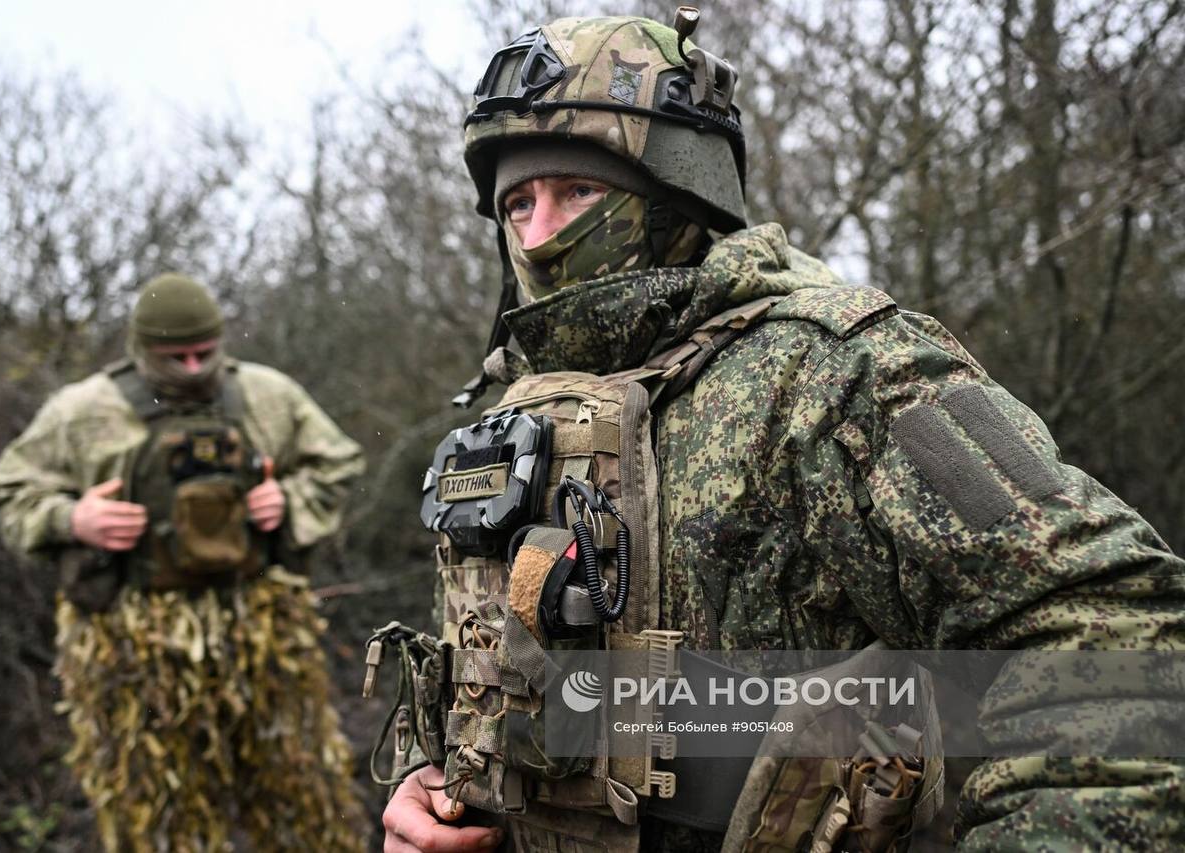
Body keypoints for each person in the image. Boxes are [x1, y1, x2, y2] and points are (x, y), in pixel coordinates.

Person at [380, 11, 1185, 853]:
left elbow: (1120, 651)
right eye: (518, 203)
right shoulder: (513, 417)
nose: (540, 235)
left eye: (576, 192)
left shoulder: (835, 373)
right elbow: (500, 689)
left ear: (675, 194)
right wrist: (436, 787)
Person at [0, 273, 368, 852]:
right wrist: (72, 518)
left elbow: (339, 464)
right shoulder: (84, 411)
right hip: (131, 642)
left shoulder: (267, 395)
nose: (192, 368)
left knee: (301, 796)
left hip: (263, 628)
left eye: (204, 353)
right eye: (174, 357)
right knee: (158, 814)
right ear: (140, 349)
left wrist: (290, 500)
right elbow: (7, 492)